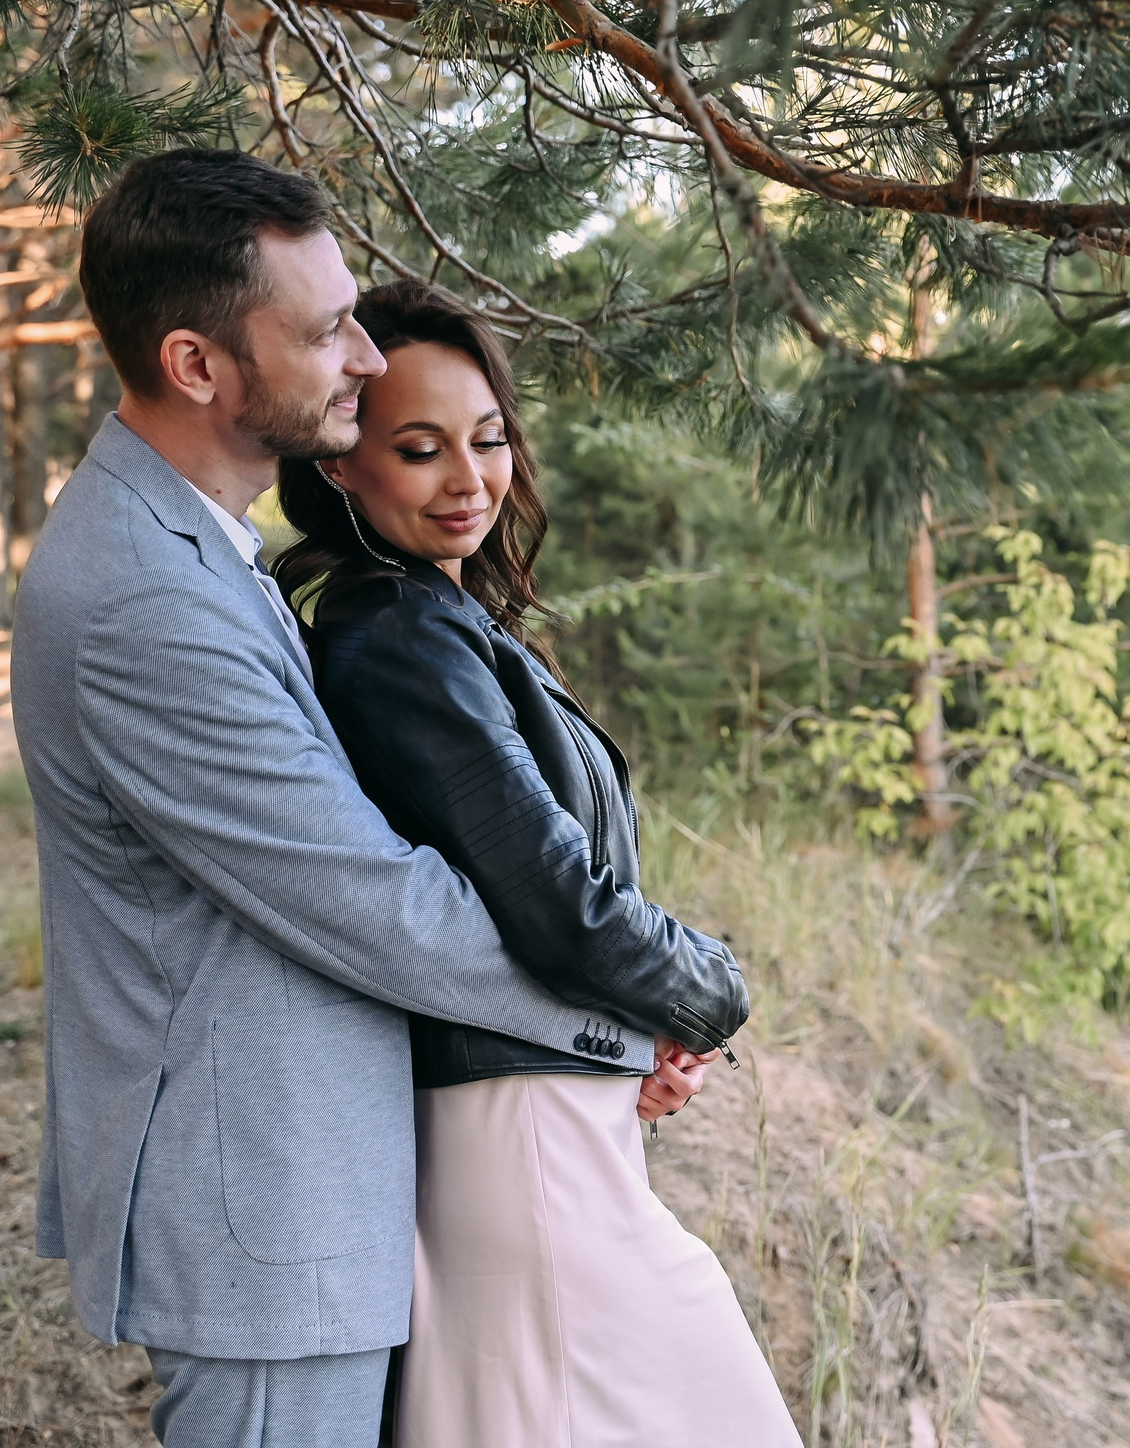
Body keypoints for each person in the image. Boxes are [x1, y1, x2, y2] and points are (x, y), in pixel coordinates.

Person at [11, 149, 715, 1448]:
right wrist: (628, 1017)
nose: (366, 360)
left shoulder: (201, 549)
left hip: (319, 1183)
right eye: (329, 328)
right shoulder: (144, 601)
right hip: (265, 1208)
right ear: (199, 365)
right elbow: (374, 902)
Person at [276, 280, 800, 1447]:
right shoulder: (402, 636)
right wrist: (710, 995)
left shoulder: (453, 621)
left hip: (553, 1115)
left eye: (489, 438)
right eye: (420, 449)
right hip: (515, 1140)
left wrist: (641, 1038)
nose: (469, 479)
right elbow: (555, 901)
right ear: (342, 465)